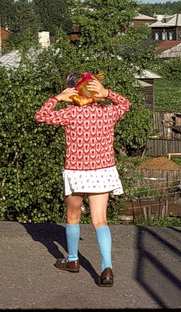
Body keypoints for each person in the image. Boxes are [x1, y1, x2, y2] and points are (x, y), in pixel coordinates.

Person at [33, 73, 130, 287]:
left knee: (73, 216)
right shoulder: (108, 113)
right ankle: (107, 267)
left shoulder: (70, 114)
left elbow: (40, 116)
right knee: (100, 221)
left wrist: (57, 98)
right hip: (102, 171)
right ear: (97, 96)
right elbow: (125, 104)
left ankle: (73, 260)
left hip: (77, 172)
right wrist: (108, 93)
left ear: (76, 94)